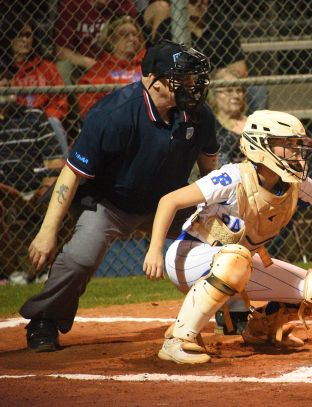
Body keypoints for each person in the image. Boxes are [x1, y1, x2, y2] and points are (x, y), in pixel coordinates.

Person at [20, 40, 219, 352]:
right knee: (80, 259)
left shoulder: (198, 114)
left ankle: (236, 310)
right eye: (181, 77)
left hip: (171, 203)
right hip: (112, 204)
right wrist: (47, 232)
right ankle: (44, 320)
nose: (191, 85)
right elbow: (72, 173)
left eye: (193, 77)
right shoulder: (113, 114)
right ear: (152, 80)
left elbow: (210, 172)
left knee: (227, 234)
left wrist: (217, 215)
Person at [142, 110, 312, 364]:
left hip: (236, 265)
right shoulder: (233, 177)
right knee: (236, 258)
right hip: (189, 256)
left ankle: (259, 330)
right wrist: (155, 249)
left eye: (297, 144)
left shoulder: (293, 181)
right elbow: (169, 201)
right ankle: (177, 340)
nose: (296, 152)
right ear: (261, 145)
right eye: (288, 144)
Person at [141, 0, 267, 112]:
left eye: (203, 0)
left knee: (257, 90)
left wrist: (219, 76)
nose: (200, 3)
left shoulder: (221, 25)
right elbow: (160, 68)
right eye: (193, 1)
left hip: (219, 84)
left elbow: (240, 69)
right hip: (183, 84)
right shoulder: (167, 27)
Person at [0, 74, 65, 284]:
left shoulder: (34, 116)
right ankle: (12, 273)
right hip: (5, 191)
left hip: (37, 189)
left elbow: (55, 163)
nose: (5, 84)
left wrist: (45, 190)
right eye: (0, 80)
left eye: (8, 79)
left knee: (61, 197)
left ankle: (46, 269)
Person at [1, 14, 70, 155]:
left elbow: (59, 101)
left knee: (53, 123)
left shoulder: (46, 67)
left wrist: (42, 119)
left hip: (44, 122)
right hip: (12, 122)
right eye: (18, 35)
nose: (25, 40)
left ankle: (62, 166)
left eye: (28, 35)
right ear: (8, 38)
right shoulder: (4, 72)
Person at [77, 16, 145, 118]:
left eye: (135, 34)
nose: (132, 38)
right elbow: (89, 109)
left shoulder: (147, 64)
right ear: (111, 40)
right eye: (124, 34)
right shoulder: (99, 71)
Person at [54, 0, 138, 83]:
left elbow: (130, 32)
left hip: (109, 62)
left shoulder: (121, 4)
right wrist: (88, 62)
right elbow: (61, 51)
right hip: (78, 63)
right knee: (63, 66)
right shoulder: (72, 4)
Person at [208, 67, 248, 166]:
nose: (236, 95)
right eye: (229, 90)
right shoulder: (209, 124)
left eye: (239, 90)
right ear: (215, 95)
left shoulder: (252, 123)